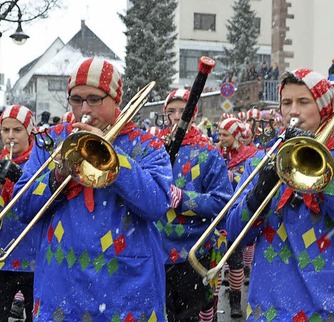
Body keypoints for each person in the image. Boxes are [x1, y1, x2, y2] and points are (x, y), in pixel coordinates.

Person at [13, 58, 174, 320]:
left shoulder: (147, 145)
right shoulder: (51, 141)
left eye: (94, 99)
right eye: (76, 99)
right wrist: (57, 175)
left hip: (126, 288)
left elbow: (156, 205)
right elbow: (21, 208)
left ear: (115, 100)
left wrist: (112, 156)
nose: (84, 108)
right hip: (62, 289)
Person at [225, 68, 334, 321]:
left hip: (332, 300)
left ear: (324, 109)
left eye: (303, 102)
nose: (293, 111)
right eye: (287, 102)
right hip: (273, 302)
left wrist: (324, 173)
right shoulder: (260, 162)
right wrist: (260, 191)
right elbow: (236, 234)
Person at [158, 89, 233, 322]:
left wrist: (183, 199)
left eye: (184, 111)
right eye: (172, 112)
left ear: (194, 115)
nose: (177, 117)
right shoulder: (155, 147)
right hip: (155, 250)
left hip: (192, 253)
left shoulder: (209, 152)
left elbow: (222, 202)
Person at [218, 117, 259, 318]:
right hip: (218, 215)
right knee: (217, 260)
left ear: (235, 136)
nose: (220, 138)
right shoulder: (217, 154)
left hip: (235, 213)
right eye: (219, 134)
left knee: (235, 261)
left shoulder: (249, 156)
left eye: (225, 135)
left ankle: (236, 300)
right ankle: (213, 303)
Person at [0, 105, 37, 322]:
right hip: (3, 257)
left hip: (34, 258)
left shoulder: (40, 161)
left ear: (29, 131)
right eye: (5, 130)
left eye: (17, 130)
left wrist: (20, 177)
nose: (10, 136)